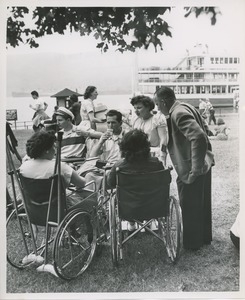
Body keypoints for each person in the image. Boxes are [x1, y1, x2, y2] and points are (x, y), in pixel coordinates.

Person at [154, 87, 214, 250]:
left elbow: (198, 137)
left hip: (192, 167)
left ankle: (192, 244)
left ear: (164, 102)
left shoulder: (178, 113)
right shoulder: (184, 107)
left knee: (189, 205)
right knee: (200, 204)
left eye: (158, 104)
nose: (157, 108)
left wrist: (195, 169)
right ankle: (202, 238)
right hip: (202, 162)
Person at [19, 130, 96, 214]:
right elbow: (82, 183)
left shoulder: (23, 167)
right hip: (59, 211)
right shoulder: (60, 167)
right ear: (46, 150)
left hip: (35, 211)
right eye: (54, 147)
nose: (55, 150)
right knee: (92, 198)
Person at [107, 129, 165, 232]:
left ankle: (131, 223)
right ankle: (148, 221)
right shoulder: (156, 163)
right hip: (153, 206)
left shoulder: (119, 166)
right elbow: (164, 181)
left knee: (124, 196)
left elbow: (110, 183)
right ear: (146, 146)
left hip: (129, 208)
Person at [83, 110, 126, 190]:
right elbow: (92, 156)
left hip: (122, 168)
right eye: (108, 123)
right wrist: (100, 142)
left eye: (113, 123)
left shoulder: (127, 136)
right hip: (107, 168)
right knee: (89, 175)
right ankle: (90, 200)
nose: (110, 126)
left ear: (120, 123)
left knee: (104, 176)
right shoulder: (105, 137)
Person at [130, 95, 168, 166]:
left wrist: (162, 155)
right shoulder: (135, 120)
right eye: (134, 108)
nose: (136, 111)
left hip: (154, 154)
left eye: (139, 108)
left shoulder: (157, 120)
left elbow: (163, 139)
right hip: (137, 155)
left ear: (148, 107)